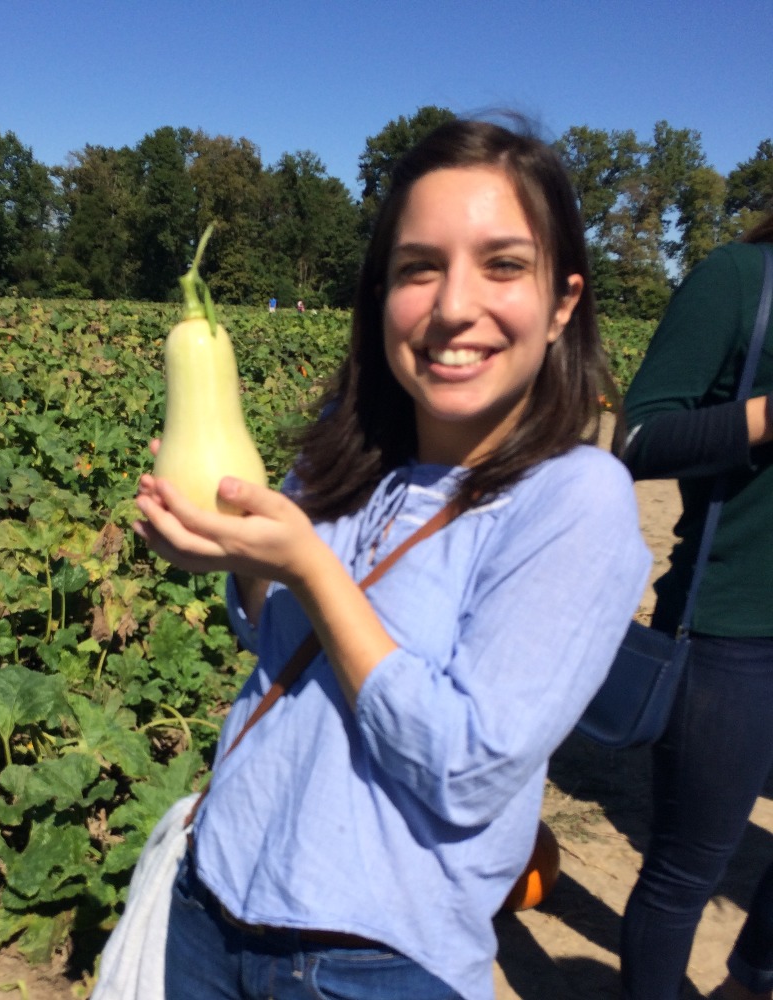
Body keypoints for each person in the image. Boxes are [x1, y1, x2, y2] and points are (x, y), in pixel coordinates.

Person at [134, 119, 650, 1000]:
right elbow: (272, 640)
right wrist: (235, 561)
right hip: (209, 903)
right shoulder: (343, 453)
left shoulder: (577, 498)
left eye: (502, 264)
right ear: (381, 295)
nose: (454, 305)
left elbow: (467, 770)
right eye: (419, 268)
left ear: (563, 302)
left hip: (367, 967)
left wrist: (309, 566)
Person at [620, 211, 773, 1000]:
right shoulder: (742, 280)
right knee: (686, 873)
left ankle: (750, 982)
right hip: (732, 630)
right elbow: (639, 439)